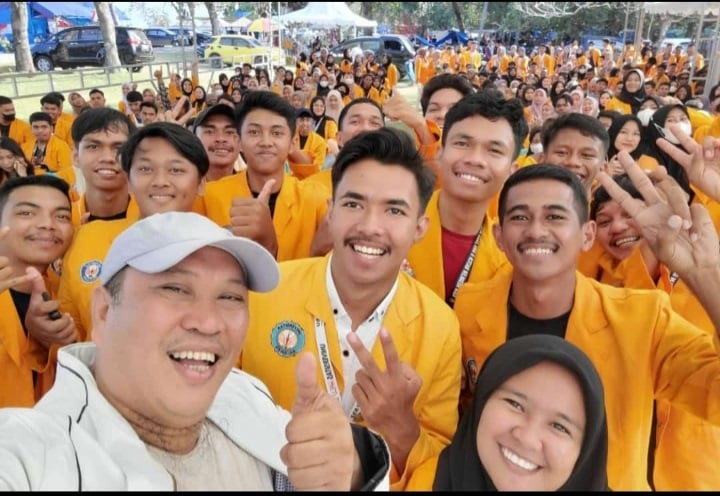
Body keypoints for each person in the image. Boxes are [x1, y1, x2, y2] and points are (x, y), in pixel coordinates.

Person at [0, 211, 391, 490]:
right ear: (102, 311)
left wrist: (356, 473)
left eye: (230, 296)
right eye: (174, 289)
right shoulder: (33, 455)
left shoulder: (241, 391)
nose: (208, 321)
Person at [453, 161, 720, 490]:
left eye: (555, 217)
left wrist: (706, 277)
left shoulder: (642, 318)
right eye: (520, 217)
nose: (536, 230)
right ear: (499, 237)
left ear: (587, 235)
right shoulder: (469, 306)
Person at [240, 127, 462, 491]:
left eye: (394, 210)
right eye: (353, 204)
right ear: (330, 212)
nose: (370, 227)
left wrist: (401, 428)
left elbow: (438, 459)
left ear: (420, 227)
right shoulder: (262, 291)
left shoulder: (440, 327)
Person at [58, 122, 208, 343]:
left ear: (201, 183)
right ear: (128, 182)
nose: (160, 181)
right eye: (145, 169)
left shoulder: (223, 251)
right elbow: (75, 332)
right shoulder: (87, 239)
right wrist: (53, 332)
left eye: (176, 169)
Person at [429, 334, 609, 491]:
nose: (528, 439)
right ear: (481, 403)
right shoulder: (426, 481)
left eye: (559, 427)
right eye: (515, 404)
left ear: (587, 452)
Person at [404, 89, 524, 304]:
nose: (475, 159)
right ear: (440, 152)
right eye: (462, 143)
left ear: (512, 169)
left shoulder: (510, 257)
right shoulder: (391, 224)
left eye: (494, 150)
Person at [202, 90, 331, 262]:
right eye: (254, 132)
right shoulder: (208, 197)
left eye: (277, 133)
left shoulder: (316, 199)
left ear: (293, 143)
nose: (266, 142)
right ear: (239, 141)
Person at [0, 175, 76, 407]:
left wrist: (46, 342)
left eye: (62, 216)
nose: (47, 224)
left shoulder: (64, 298)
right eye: (27, 213)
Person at [69, 107, 137, 226]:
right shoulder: (61, 224)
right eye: (93, 147)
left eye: (119, 148)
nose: (107, 158)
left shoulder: (153, 217)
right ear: (75, 156)